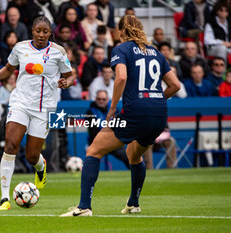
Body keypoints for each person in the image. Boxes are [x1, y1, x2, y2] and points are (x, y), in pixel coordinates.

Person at [61, 15, 180, 217]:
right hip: (159, 115)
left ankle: (84, 207)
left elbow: (121, 77)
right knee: (134, 155)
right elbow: (175, 85)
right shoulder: (156, 53)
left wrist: (112, 107)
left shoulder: (120, 49)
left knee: (94, 151)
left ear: (122, 31)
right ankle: (133, 204)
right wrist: (157, 99)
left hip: (135, 112)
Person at [0, 16, 74, 211]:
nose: (41, 35)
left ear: (51, 33)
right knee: (10, 144)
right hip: (20, 102)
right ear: (32, 31)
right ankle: (4, 199)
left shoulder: (59, 52)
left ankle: (41, 169)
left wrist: (67, 82)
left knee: (32, 156)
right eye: (38, 31)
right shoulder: (20, 48)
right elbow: (9, 69)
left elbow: (70, 75)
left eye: (45, 31)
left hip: (46, 108)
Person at [86, 90, 130, 169]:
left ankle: (136, 176)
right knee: (91, 160)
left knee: (129, 157)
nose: (101, 101)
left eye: (103, 99)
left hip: (113, 141)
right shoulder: (90, 112)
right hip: (96, 142)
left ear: (108, 100)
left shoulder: (114, 110)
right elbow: (93, 133)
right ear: (95, 99)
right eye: (99, 99)